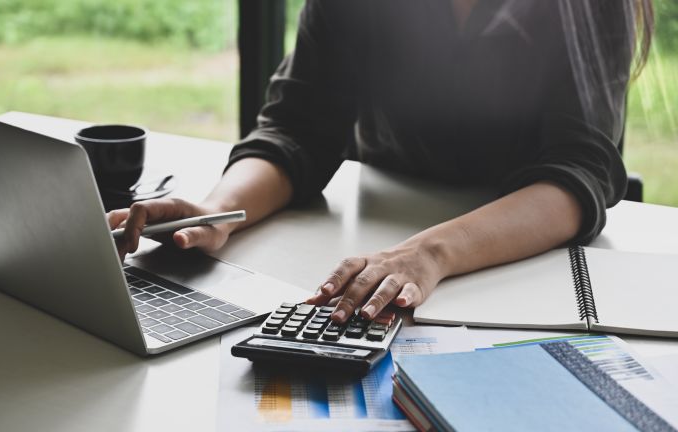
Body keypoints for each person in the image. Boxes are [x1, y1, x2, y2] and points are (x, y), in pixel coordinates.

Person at [108, 0, 653, 325]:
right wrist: (217, 211)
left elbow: (577, 172)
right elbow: (298, 128)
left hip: (530, 271)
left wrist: (429, 253)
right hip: (384, 246)